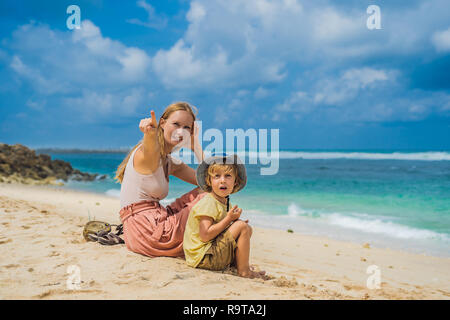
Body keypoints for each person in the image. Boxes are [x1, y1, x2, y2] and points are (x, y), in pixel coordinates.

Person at [115, 102, 207, 257]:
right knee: (210, 197)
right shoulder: (150, 156)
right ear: (162, 123)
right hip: (146, 230)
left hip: (152, 225)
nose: (180, 131)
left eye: (186, 128)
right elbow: (149, 148)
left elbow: (209, 181)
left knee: (207, 190)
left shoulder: (170, 162)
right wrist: (149, 133)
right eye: (176, 124)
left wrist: (196, 146)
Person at [183, 154, 267, 279]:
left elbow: (221, 229)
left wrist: (233, 222)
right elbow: (205, 235)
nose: (223, 180)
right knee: (242, 227)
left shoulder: (224, 202)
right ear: (209, 181)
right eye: (217, 176)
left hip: (211, 253)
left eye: (228, 176)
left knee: (246, 229)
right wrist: (229, 220)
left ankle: (239, 265)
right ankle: (244, 271)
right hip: (204, 257)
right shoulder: (209, 202)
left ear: (235, 181)